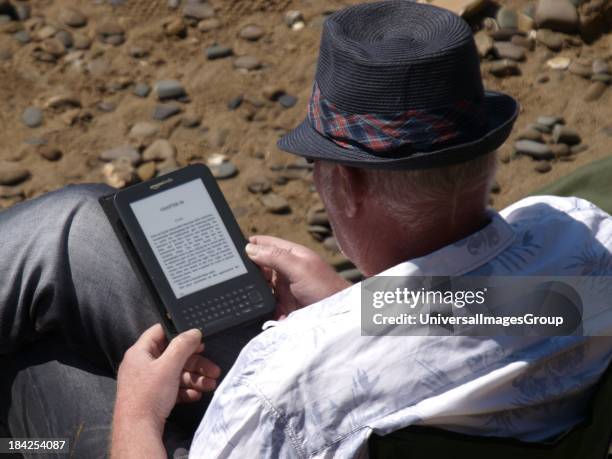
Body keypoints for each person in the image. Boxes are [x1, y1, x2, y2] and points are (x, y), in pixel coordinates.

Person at [1, 1, 612, 458]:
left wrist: (137, 412)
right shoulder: (583, 239)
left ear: (344, 186)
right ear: (486, 156)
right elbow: (521, 316)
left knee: (39, 370)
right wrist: (363, 307)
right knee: (80, 224)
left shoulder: (284, 382)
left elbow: (301, 399)